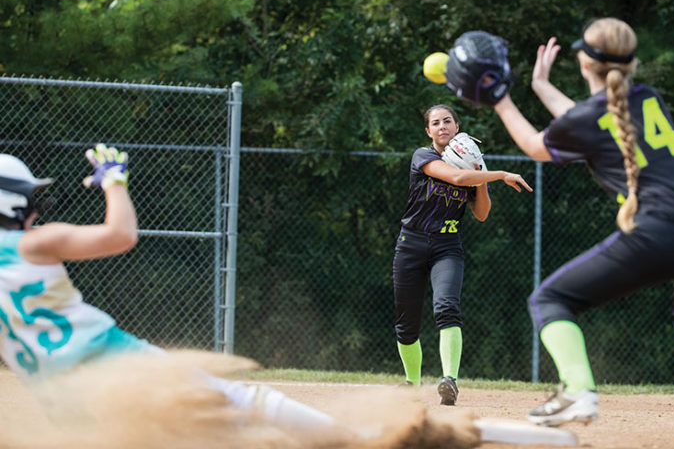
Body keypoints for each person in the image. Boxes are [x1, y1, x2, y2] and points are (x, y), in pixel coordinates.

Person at [488, 18, 674, 448]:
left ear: (584, 62)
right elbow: (596, 122)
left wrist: (500, 98)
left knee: (551, 299)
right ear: (632, 62)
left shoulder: (592, 116)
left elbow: (535, 146)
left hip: (661, 232)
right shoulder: (649, 99)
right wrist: (543, 88)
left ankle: (578, 390)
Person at [0, 145, 339, 437]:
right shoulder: (33, 243)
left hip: (59, 397)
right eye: (31, 202)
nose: (35, 212)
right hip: (112, 357)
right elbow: (121, 234)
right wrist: (115, 182)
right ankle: (360, 441)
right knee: (235, 400)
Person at [392, 104, 532, 406]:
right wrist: (499, 174)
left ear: (457, 127)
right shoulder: (423, 156)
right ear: (428, 131)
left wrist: (480, 171)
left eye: (447, 121)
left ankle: (449, 381)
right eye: (435, 123)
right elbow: (455, 179)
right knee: (406, 325)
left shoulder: (470, 168)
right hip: (411, 244)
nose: (442, 126)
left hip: (446, 247)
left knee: (446, 308)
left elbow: (481, 213)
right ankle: (412, 384)